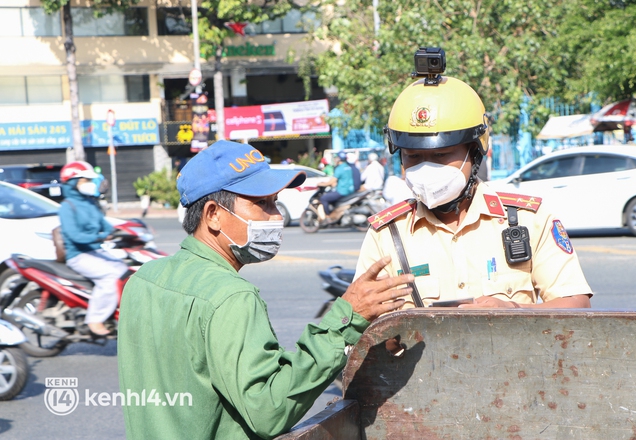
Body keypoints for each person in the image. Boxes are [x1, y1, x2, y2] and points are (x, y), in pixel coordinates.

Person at [117, 140, 413, 440]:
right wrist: (343, 322)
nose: (277, 216)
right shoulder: (231, 297)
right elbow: (267, 411)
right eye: (263, 204)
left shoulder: (141, 280)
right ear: (212, 215)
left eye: (275, 202)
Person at [354, 61, 592, 310]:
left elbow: (576, 305)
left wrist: (513, 311)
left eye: (440, 155)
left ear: (475, 153)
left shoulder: (528, 220)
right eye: (413, 157)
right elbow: (366, 324)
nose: (426, 168)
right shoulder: (386, 234)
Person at [58, 161, 128, 336]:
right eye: (84, 180)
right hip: (78, 255)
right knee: (110, 276)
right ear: (73, 182)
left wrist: (123, 232)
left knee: (124, 269)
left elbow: (106, 225)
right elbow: (74, 236)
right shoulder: (67, 206)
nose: (89, 184)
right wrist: (99, 237)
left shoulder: (90, 203)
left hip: (95, 251)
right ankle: (95, 318)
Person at [316, 151, 355, 221]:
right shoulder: (348, 167)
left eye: (336, 158)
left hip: (342, 191)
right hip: (349, 190)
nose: (335, 159)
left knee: (323, 198)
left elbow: (332, 181)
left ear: (339, 159)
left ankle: (328, 217)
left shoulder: (339, 168)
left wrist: (321, 184)